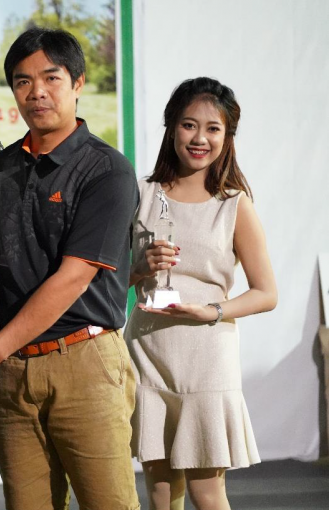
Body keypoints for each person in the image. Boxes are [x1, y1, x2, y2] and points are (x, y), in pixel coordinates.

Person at [0, 28, 140, 510]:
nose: (37, 92)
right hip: (13, 372)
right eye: (23, 81)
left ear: (78, 83)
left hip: (85, 363)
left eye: (51, 78)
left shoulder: (107, 170)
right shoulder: (2, 168)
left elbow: (73, 278)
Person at [125, 77, 277, 510]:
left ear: (227, 137)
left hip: (208, 359)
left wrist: (211, 311)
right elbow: (110, 278)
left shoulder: (234, 204)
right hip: (147, 353)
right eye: (189, 125)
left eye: (213, 128)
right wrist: (140, 268)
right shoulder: (141, 194)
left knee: (207, 493)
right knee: (160, 492)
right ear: (172, 127)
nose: (200, 138)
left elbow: (266, 293)